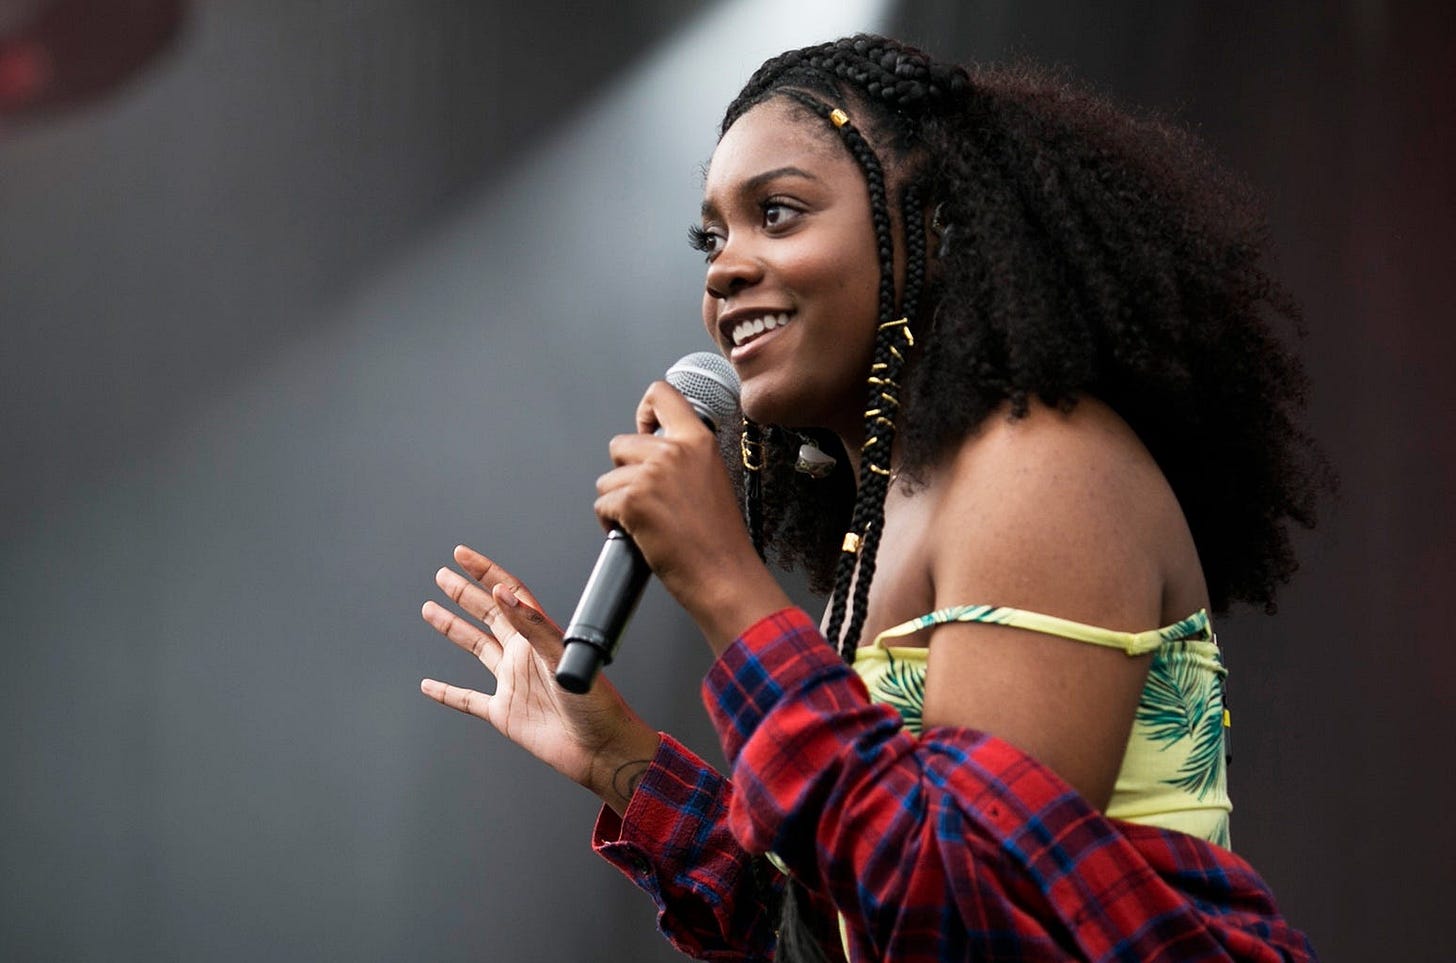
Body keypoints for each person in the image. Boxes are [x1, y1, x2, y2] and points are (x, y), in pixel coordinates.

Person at [419, 34, 1325, 961]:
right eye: (711, 239)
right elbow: (857, 924)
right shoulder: (898, 512)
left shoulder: (1042, 466)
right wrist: (623, 762)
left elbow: (971, 919)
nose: (723, 269)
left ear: (932, 225)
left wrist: (726, 582)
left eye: (777, 213)